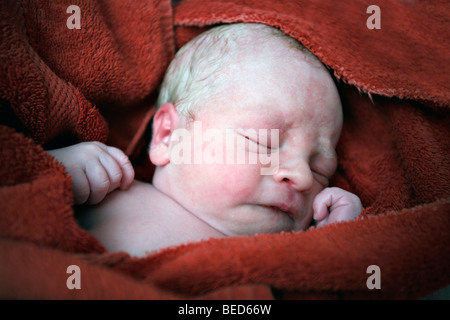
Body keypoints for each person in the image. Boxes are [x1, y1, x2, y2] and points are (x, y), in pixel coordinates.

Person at [49, 23, 362, 257]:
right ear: (169, 136)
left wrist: (337, 239)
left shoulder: (283, 253)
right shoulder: (107, 193)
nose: (304, 177)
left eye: (322, 168)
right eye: (262, 141)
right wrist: (57, 171)